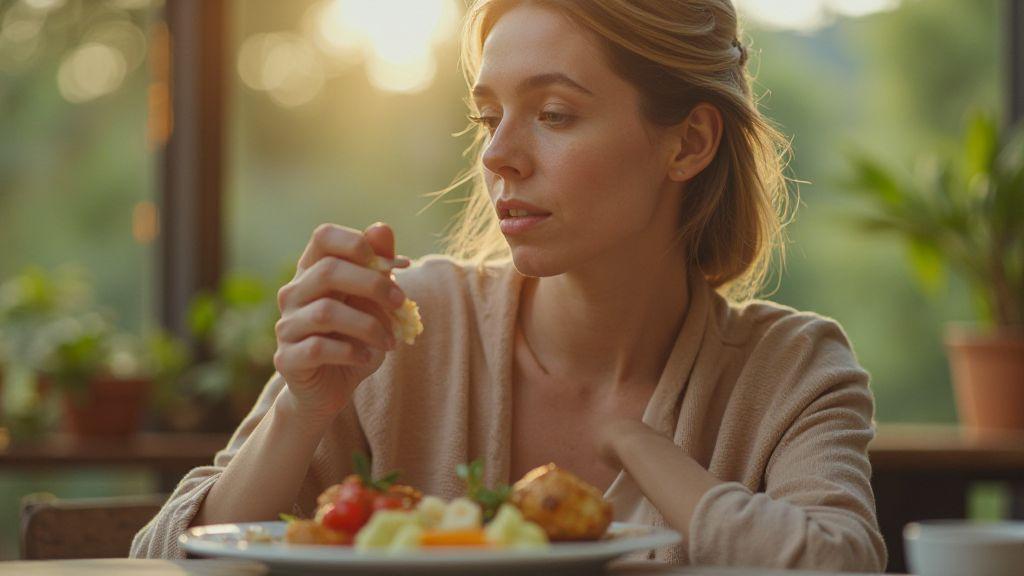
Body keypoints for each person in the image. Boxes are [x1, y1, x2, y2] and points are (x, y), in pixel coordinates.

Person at [132, 0, 886, 570]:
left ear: (687, 143)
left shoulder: (794, 371)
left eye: (554, 114)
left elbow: (837, 562)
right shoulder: (405, 328)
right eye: (488, 117)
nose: (498, 156)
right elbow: (158, 559)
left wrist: (634, 442)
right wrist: (300, 412)